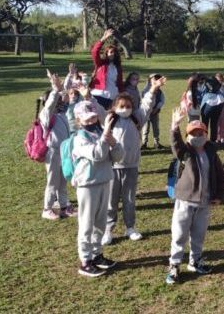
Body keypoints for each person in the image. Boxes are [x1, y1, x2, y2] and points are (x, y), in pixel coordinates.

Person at [165, 110, 224, 285]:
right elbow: (176, 146)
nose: (198, 136)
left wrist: (219, 195)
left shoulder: (212, 153)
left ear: (206, 134)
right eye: (193, 134)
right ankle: (174, 264)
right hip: (185, 201)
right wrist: (175, 126)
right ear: (187, 137)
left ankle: (196, 261)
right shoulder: (186, 152)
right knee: (179, 234)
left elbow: (220, 176)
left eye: (201, 133)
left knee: (199, 234)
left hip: (205, 202)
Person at [103, 76, 166, 245]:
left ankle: (130, 227)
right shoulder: (110, 119)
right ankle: (108, 229)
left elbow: (146, 105)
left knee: (129, 199)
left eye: (128, 106)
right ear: (115, 107)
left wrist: (153, 89)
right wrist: (87, 96)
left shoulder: (136, 117)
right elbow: (95, 109)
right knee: (111, 200)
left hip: (131, 167)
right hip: (113, 167)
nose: (125, 109)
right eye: (121, 106)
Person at [70, 100, 123, 277]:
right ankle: (85, 261)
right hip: (87, 185)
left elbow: (118, 156)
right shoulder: (80, 138)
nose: (91, 121)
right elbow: (98, 155)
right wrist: (106, 133)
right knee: (87, 223)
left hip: (104, 180)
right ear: (78, 119)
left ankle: (97, 254)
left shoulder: (101, 132)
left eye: (93, 117)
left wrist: (114, 142)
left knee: (100, 222)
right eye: (86, 119)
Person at [38, 70, 75, 220]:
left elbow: (64, 93)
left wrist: (69, 76)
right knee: (53, 181)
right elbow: (51, 103)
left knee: (62, 180)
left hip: (63, 151)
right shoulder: (46, 116)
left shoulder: (61, 113)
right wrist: (54, 89)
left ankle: (64, 206)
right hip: (52, 152)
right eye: (57, 100)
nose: (61, 101)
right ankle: (47, 208)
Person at [89, 29, 124, 110]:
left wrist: (122, 95)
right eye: (111, 52)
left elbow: (120, 84)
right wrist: (103, 39)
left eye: (114, 52)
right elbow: (94, 52)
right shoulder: (100, 64)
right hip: (99, 95)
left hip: (112, 97)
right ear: (106, 53)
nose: (113, 54)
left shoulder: (118, 68)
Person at [141, 73, 166, 149]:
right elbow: (144, 101)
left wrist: (157, 108)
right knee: (145, 128)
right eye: (155, 79)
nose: (157, 80)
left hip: (155, 113)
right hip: (146, 113)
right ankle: (144, 143)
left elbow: (162, 100)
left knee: (156, 128)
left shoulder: (160, 92)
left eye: (158, 78)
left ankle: (156, 143)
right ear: (149, 80)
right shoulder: (145, 90)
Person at [200, 74, 224, 143]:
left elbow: (201, 92)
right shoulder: (217, 85)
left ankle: (204, 140)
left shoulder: (205, 83)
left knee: (205, 123)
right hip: (219, 103)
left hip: (207, 104)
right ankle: (213, 141)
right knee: (214, 124)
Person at [215, 73, 224, 143]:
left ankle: (222, 137)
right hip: (215, 107)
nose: (219, 82)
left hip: (223, 107)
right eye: (218, 80)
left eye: (220, 80)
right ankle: (217, 137)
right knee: (216, 123)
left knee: (223, 123)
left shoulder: (223, 87)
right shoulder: (213, 87)